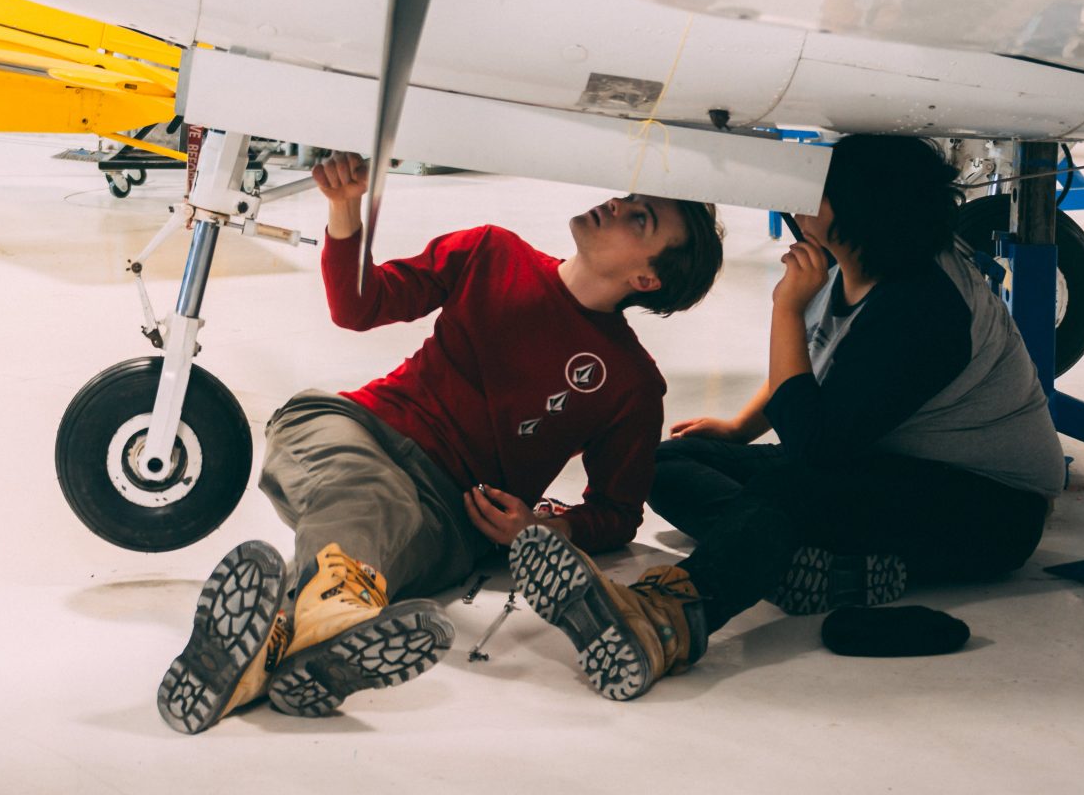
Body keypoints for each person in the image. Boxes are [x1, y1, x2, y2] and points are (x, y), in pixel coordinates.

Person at [155, 151, 724, 733]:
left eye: (641, 220)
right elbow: (360, 305)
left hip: (451, 515)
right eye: (633, 197)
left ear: (646, 279)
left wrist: (546, 529)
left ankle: (263, 656)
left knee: (386, 522)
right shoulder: (492, 251)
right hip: (353, 428)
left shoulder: (630, 383)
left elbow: (618, 511)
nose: (619, 203)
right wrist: (345, 208)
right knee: (367, 493)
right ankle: (329, 619)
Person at [512, 133, 1065, 701]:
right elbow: (818, 371)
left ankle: (670, 618)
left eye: (819, 187)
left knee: (793, 481)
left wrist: (785, 306)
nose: (799, 192)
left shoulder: (922, 307)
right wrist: (738, 430)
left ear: (859, 212)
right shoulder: (856, 257)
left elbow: (813, 448)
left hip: (991, 512)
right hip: (887, 464)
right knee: (666, 462)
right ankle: (809, 568)